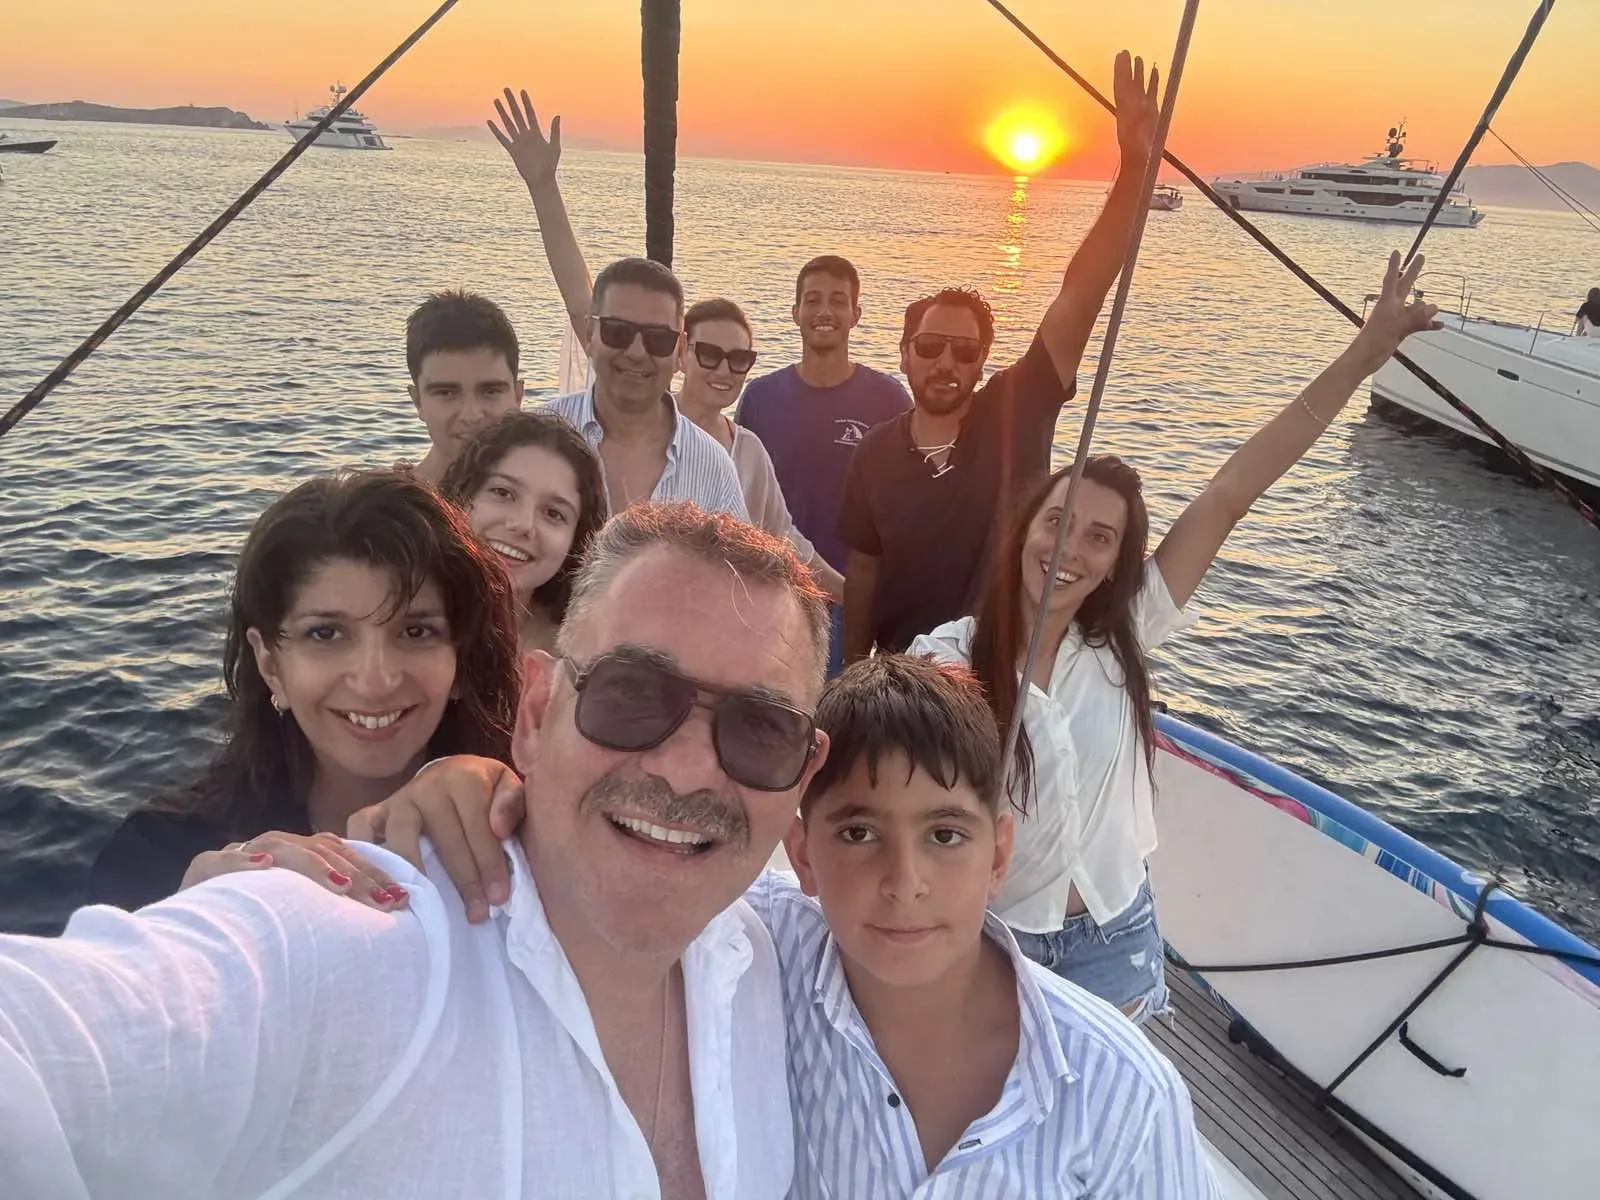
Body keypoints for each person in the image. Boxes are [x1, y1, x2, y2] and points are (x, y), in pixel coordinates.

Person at [3, 502, 832, 1198]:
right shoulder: (349, 941)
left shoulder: (773, 955)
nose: (686, 769)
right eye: (630, 695)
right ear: (535, 716)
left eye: (760, 729)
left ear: (804, 773)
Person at [229, 657, 1221, 1198]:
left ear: (999, 853)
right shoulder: (757, 951)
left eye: (946, 835)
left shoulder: (1117, 1094)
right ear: (799, 850)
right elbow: (616, 862)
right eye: (857, 831)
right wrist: (473, 780)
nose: (903, 882)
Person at [908, 251, 1441, 1019]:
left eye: (1100, 538)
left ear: (1116, 564)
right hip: (996, 939)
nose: (1071, 550)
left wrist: (1364, 354)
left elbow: (1231, 491)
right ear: (1023, 531)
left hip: (1113, 936)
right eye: (1059, 522)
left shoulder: (1121, 637)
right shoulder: (948, 658)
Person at [837, 52, 1160, 663]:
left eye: (964, 351)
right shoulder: (873, 454)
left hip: (1003, 670)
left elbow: (1081, 292)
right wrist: (854, 674)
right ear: (905, 356)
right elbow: (863, 576)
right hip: (908, 683)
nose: (945, 363)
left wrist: (1134, 168)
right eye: (929, 347)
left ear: (983, 360)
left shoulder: (1019, 409)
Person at [83, 470, 523, 912]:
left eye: (415, 631)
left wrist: (510, 801)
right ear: (270, 665)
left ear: (462, 660)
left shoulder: (521, 821)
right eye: (326, 634)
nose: (375, 681)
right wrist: (187, 919)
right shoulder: (155, 857)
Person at [487, 90, 748, 522]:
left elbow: (737, 565)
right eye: (618, 332)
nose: (637, 352)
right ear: (590, 334)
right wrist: (542, 186)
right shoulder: (540, 435)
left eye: (658, 338)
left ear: (679, 350)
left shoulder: (713, 468)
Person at [736, 255, 914, 669]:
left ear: (856, 314)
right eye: (812, 300)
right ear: (795, 311)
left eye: (838, 301)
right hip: (773, 593)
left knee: (836, 705)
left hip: (849, 601)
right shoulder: (760, 397)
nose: (824, 311)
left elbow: (909, 501)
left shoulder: (888, 399)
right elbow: (743, 498)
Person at [675, 297, 846, 602]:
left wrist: (854, 597)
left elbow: (786, 541)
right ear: (681, 354)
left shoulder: (749, 452)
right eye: (709, 354)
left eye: (739, 359)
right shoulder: (646, 427)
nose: (724, 370)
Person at [438, 409, 608, 653]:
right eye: (503, 493)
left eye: (553, 513)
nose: (523, 524)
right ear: (462, 496)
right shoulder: (401, 614)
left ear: (577, 542)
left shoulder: (585, 656)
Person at [403, 290, 525, 485]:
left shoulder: (552, 493)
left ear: (517, 396)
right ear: (418, 402)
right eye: (446, 393)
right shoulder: (382, 502)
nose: (471, 416)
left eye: (490, 391)